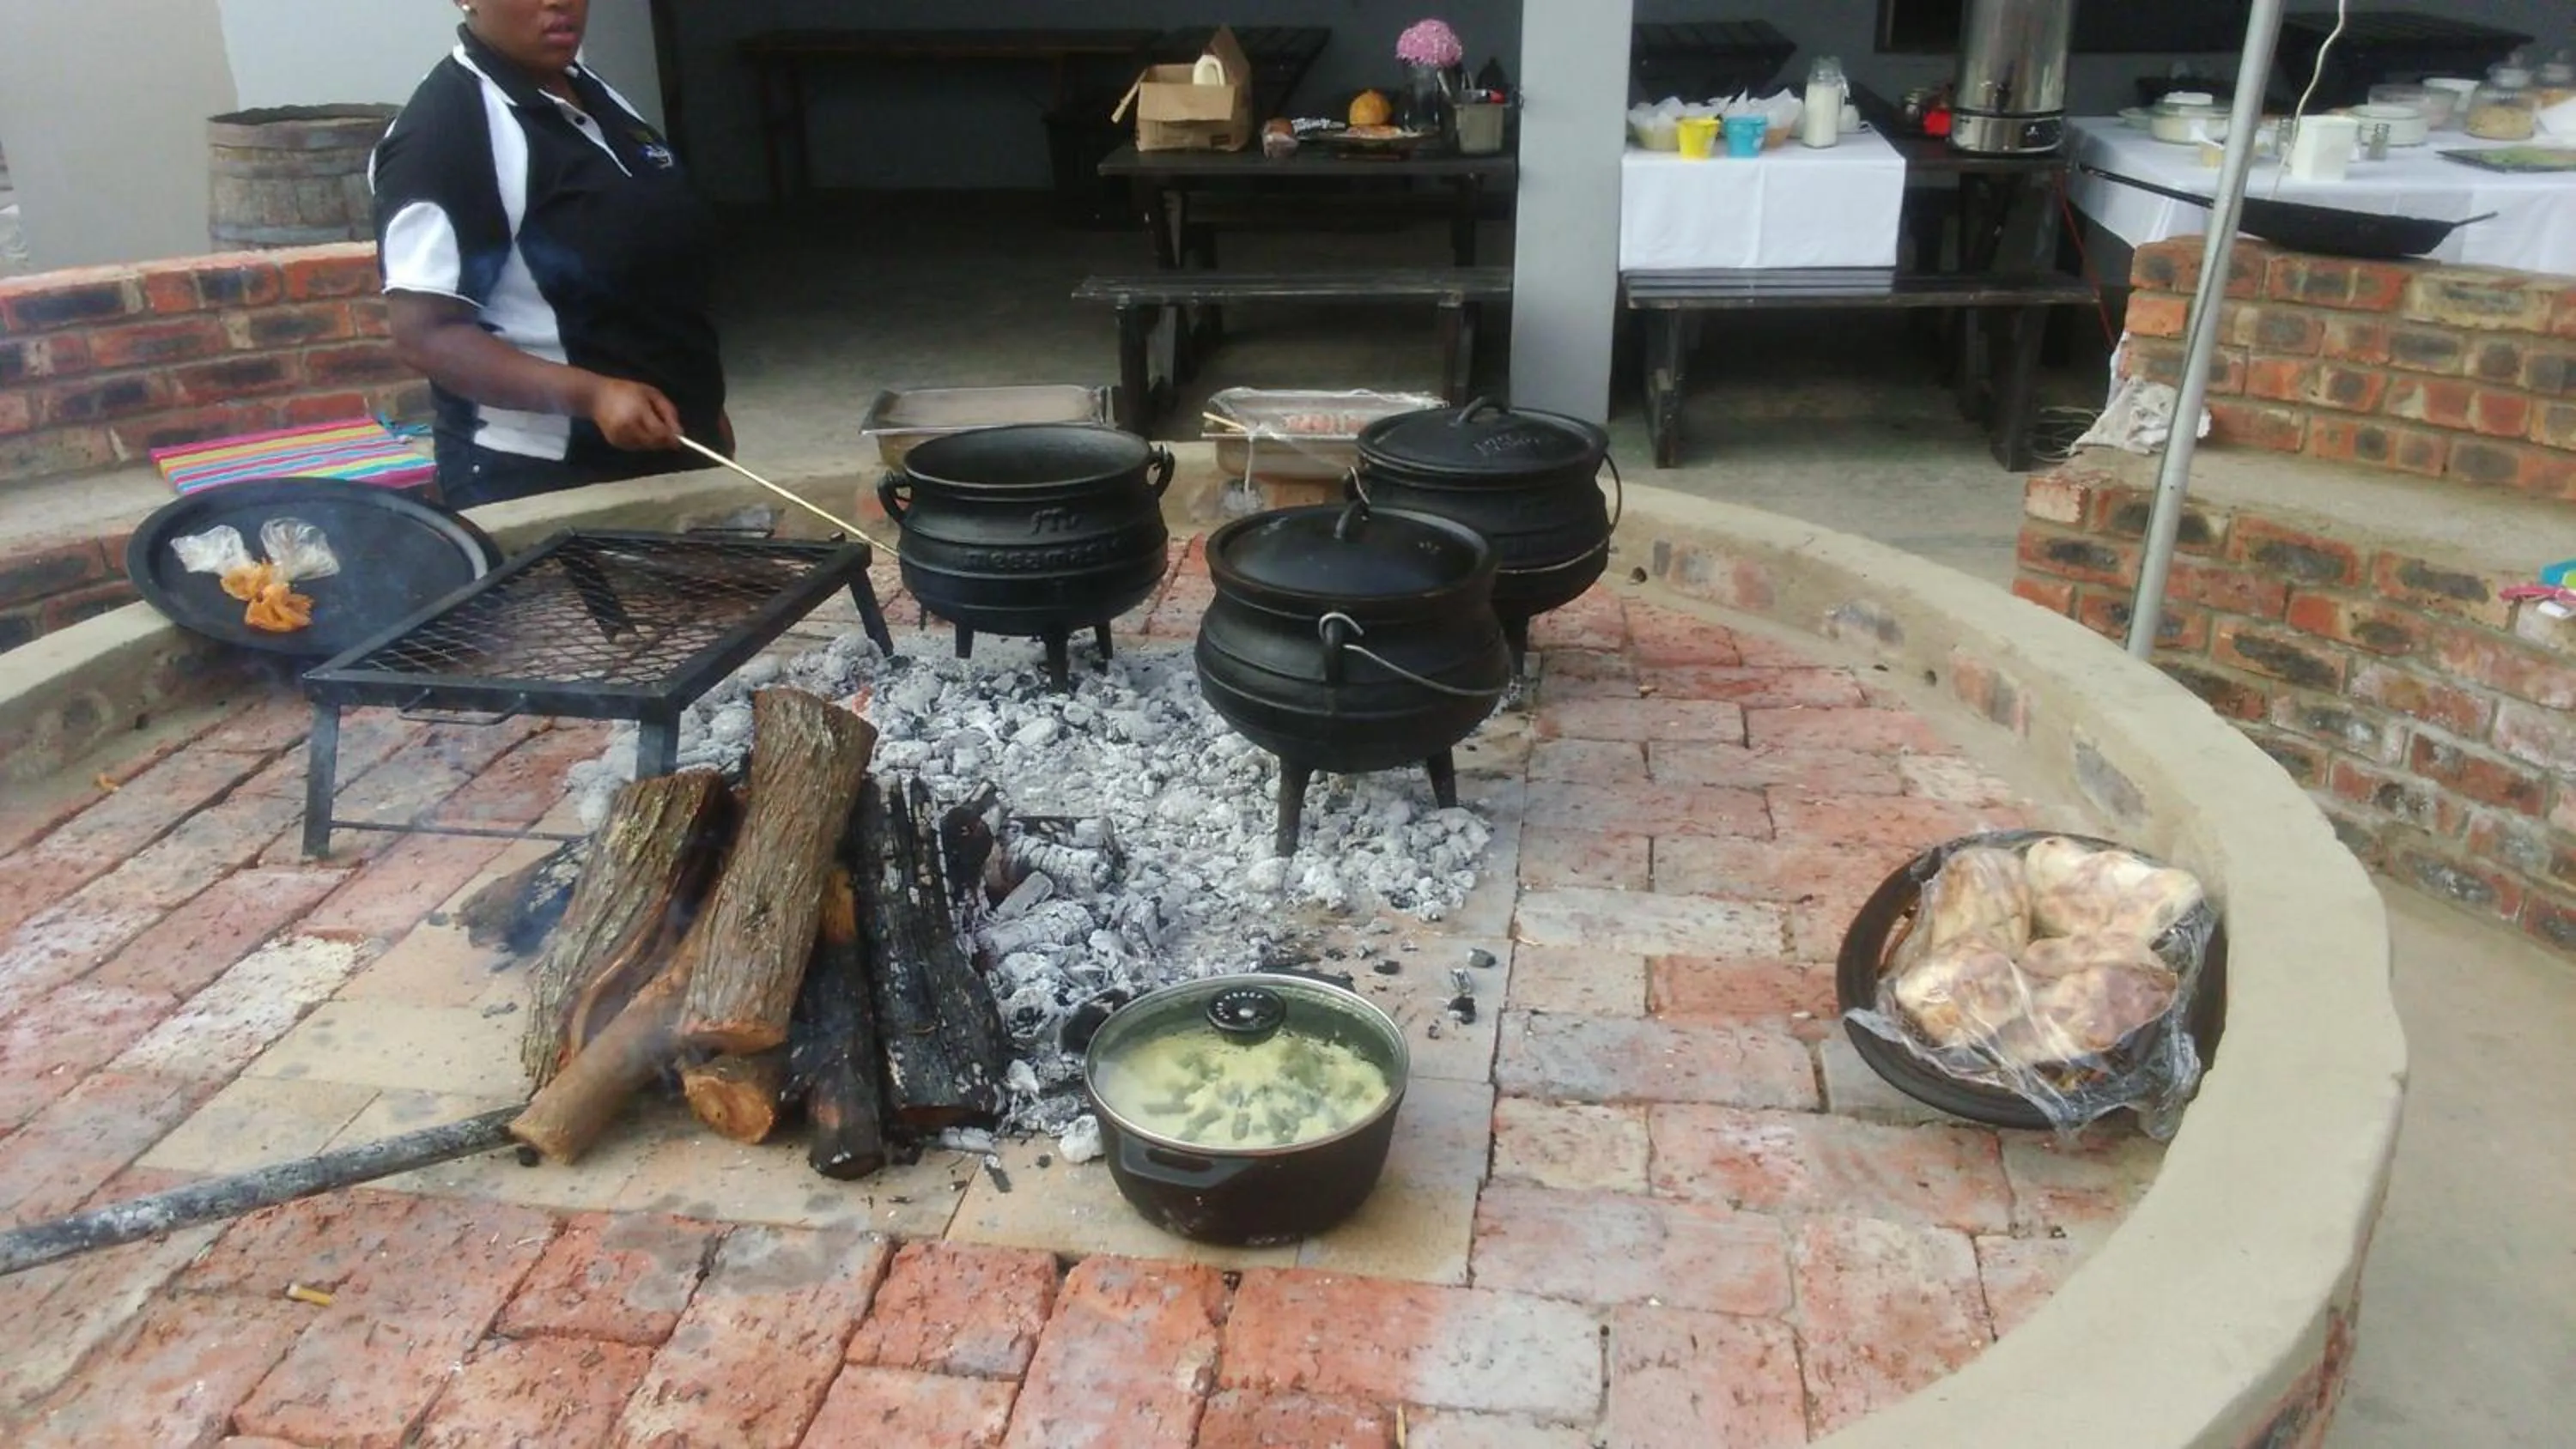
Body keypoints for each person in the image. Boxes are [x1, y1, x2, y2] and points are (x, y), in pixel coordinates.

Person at [372, 0, 727, 508]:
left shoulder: (589, 91)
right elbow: (427, 335)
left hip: (668, 450)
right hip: (547, 479)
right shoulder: (447, 131)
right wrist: (594, 394)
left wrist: (703, 406)